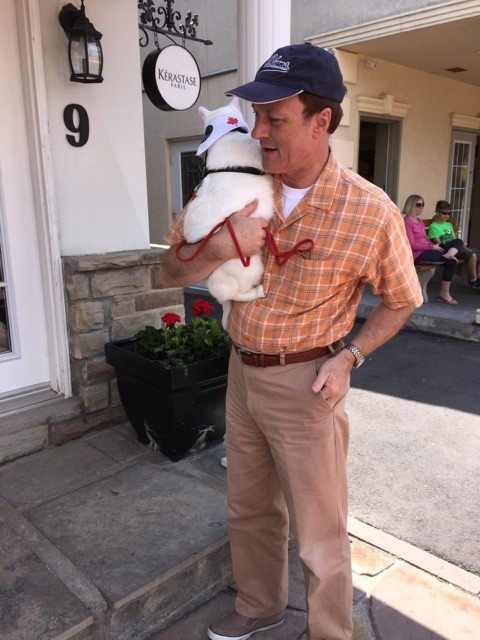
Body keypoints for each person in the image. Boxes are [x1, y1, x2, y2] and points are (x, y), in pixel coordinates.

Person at [160, 44, 422, 640]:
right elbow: (169, 269)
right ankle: (260, 606)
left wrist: (351, 356)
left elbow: (404, 298)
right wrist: (221, 244)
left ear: (320, 121)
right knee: (249, 507)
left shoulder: (369, 211)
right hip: (240, 372)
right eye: (256, 116)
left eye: (275, 119)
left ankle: (330, 633)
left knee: (319, 531)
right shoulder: (235, 179)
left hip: (307, 385)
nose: (257, 132)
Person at [402, 194, 463, 304]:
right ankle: (444, 294)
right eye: (418, 205)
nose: (421, 207)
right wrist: (432, 247)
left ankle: (449, 254)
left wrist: (435, 246)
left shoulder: (419, 221)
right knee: (452, 261)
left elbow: (425, 239)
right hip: (417, 254)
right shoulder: (407, 221)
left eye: (423, 205)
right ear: (411, 205)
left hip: (428, 249)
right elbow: (411, 244)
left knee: (458, 242)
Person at [428, 200, 480, 290]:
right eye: (444, 213)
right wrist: (457, 244)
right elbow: (439, 244)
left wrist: (461, 245)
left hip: (455, 247)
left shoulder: (448, 224)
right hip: (447, 250)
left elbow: (454, 239)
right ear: (437, 212)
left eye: (449, 213)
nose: (447, 216)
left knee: (478, 253)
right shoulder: (433, 226)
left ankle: (478, 278)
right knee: (472, 255)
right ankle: (474, 281)